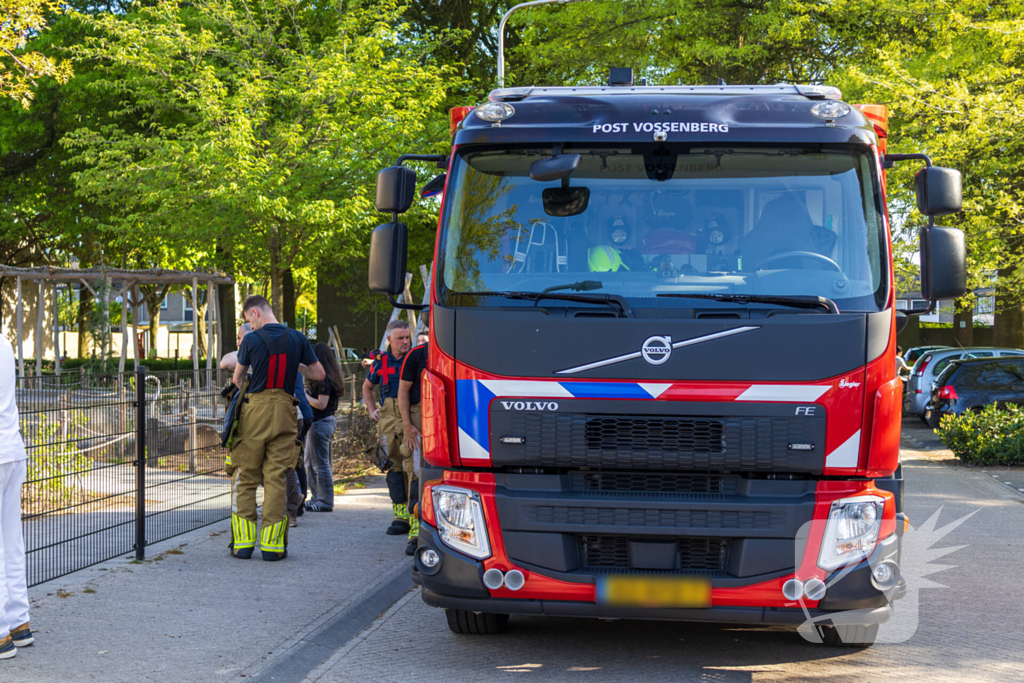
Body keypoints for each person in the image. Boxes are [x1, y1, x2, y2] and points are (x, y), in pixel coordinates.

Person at [230, 296, 324, 561]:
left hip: (255, 411)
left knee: (246, 476)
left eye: (250, 319)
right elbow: (319, 375)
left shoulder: (251, 340)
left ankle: (244, 545)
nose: (251, 324)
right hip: (286, 411)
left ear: (256, 313)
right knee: (276, 478)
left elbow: (237, 378)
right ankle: (272, 548)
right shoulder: (297, 338)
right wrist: (296, 364)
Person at [362, 319, 412, 536]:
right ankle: (400, 516)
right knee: (393, 467)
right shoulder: (380, 362)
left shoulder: (415, 358)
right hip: (388, 419)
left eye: (407, 337)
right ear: (389, 339)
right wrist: (372, 409)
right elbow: (367, 387)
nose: (405, 342)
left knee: (413, 466)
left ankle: (416, 515)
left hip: (411, 415)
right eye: (400, 338)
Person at [0, 336, 32, 658]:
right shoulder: (4, 343)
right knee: (12, 541)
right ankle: (19, 624)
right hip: (11, 449)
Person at [304, 343, 343, 512]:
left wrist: (304, 396)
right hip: (318, 423)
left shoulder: (324, 378)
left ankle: (325, 500)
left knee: (320, 464)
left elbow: (321, 404)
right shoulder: (326, 376)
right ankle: (316, 497)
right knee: (310, 463)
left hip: (321, 422)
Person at [398, 338, 428, 556]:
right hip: (419, 416)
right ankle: (416, 533)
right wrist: (408, 425)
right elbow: (403, 391)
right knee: (417, 474)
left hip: (447, 412)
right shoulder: (416, 354)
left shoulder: (459, 346)